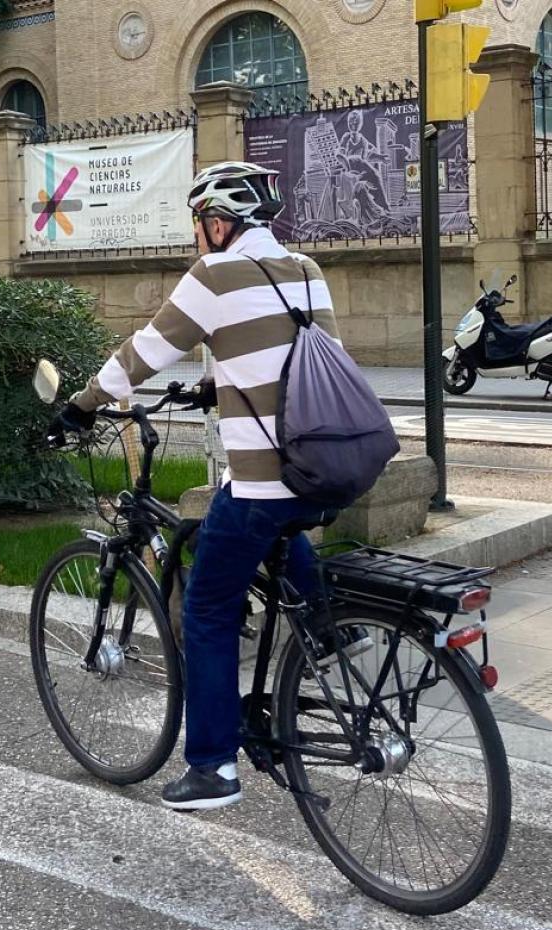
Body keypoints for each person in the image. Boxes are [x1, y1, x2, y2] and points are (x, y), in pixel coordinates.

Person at [51, 161, 355, 812]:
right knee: (265, 525)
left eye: (200, 224)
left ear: (219, 223)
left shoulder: (216, 276)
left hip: (265, 479)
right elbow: (309, 357)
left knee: (207, 609)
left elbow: (144, 353)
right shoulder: (307, 271)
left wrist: (81, 404)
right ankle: (327, 624)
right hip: (327, 466)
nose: (198, 236)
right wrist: (217, 384)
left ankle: (213, 767)